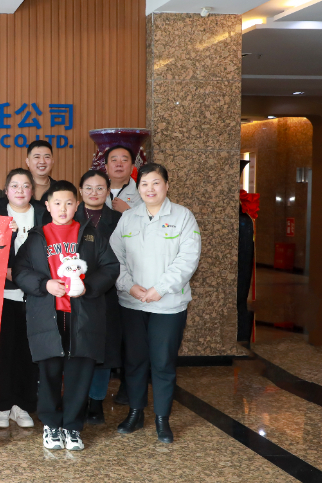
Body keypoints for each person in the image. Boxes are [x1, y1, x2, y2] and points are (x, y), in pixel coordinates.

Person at [13, 180, 120, 452]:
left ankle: (72, 427)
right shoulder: (37, 237)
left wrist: (88, 287)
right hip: (47, 317)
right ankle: (50, 425)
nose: (63, 209)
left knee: (79, 374)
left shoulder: (90, 234)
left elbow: (110, 267)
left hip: (83, 316)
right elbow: (20, 271)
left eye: (69, 203)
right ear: (47, 206)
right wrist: (45, 284)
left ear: (77, 205)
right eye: (57, 203)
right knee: (49, 373)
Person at [110, 163, 201, 444]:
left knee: (162, 363)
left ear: (167, 185)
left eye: (156, 183)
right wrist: (129, 285)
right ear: (138, 188)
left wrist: (159, 289)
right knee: (134, 361)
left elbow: (188, 260)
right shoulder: (128, 218)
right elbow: (114, 257)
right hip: (132, 302)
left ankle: (163, 418)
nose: (150, 189)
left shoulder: (183, 217)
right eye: (144, 184)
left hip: (168, 305)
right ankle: (135, 413)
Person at [0, 169, 48, 430]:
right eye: (14, 186)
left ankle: (22, 405)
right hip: (5, 294)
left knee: (28, 354)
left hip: (37, 296)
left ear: (33, 190)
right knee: (4, 353)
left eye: (25, 186)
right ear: (6, 190)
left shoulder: (43, 213)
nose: (20, 190)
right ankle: (2, 405)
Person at [74, 169, 124, 425]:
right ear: (80, 191)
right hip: (73, 294)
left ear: (108, 191)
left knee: (104, 349)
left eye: (100, 188)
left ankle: (96, 402)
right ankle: (76, 400)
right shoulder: (69, 215)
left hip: (107, 292)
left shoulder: (119, 219)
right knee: (77, 349)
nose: (94, 193)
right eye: (88, 188)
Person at [104, 146, 140, 212]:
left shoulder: (142, 193)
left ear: (132, 167)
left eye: (124, 160)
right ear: (106, 167)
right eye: (114, 160)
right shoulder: (96, 191)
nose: (119, 164)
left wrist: (127, 211)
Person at [25, 140, 56, 205]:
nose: (42, 161)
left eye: (47, 157)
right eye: (37, 157)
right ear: (27, 162)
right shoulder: (17, 189)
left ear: (52, 161)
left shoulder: (60, 188)